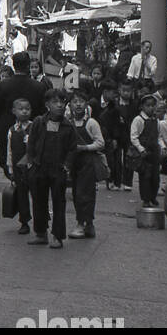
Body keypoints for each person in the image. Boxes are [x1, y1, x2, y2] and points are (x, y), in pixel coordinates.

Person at [22, 89, 75, 248]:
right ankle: (40, 233)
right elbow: (31, 144)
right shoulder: (39, 122)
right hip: (39, 167)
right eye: (55, 102)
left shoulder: (68, 126)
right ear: (47, 105)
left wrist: (66, 166)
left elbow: (72, 149)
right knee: (38, 201)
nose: (59, 105)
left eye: (62, 102)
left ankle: (57, 236)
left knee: (59, 202)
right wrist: (31, 163)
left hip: (58, 170)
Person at [0, 52, 49, 167]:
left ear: (14, 66)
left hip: (6, 129)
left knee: (7, 161)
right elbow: (43, 112)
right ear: (28, 66)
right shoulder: (39, 87)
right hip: (32, 132)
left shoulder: (2, 85)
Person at [67, 90, 105, 239]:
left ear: (86, 105)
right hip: (73, 163)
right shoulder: (68, 122)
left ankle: (82, 224)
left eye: (81, 101)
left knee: (85, 194)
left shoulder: (91, 123)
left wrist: (85, 148)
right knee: (76, 193)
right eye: (75, 101)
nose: (78, 104)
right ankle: (87, 224)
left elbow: (100, 143)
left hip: (87, 163)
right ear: (70, 105)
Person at [0, 97, 35, 237]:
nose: (25, 111)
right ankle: (24, 221)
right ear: (14, 111)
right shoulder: (12, 130)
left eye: (27, 109)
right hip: (18, 169)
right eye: (21, 109)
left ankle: (41, 222)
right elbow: (9, 151)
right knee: (21, 195)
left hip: (33, 168)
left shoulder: (34, 127)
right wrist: (10, 169)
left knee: (37, 195)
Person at [130, 92, 162, 207]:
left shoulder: (156, 120)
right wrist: (141, 149)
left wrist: (162, 147)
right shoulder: (138, 120)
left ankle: (153, 196)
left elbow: (159, 136)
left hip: (154, 152)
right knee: (145, 176)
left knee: (155, 177)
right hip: (144, 152)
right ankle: (146, 199)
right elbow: (134, 137)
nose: (151, 108)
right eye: (148, 105)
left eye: (153, 105)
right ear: (142, 106)